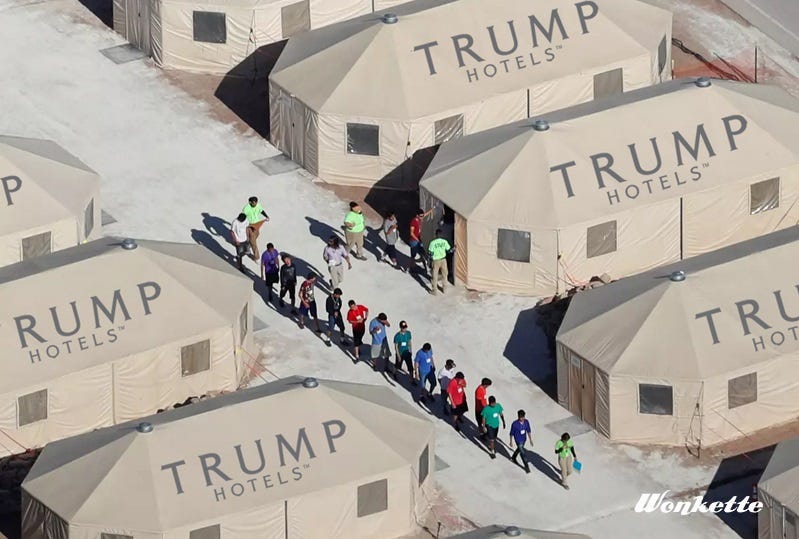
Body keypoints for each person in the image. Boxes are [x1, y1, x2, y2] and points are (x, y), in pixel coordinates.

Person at [428, 228, 454, 295]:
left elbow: (430, 253)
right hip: (443, 260)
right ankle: (444, 289)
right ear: (441, 235)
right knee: (444, 274)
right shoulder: (444, 241)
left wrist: (429, 262)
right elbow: (449, 251)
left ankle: (434, 291)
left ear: (436, 235)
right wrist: (454, 248)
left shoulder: (432, 243)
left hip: (436, 260)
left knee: (435, 275)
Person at [408, 207, 434, 273]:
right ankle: (410, 268)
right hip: (414, 241)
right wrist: (417, 239)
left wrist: (431, 210)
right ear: (417, 215)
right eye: (421, 216)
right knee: (413, 256)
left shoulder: (420, 218)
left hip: (418, 240)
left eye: (422, 216)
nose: (422, 217)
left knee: (422, 253)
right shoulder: (413, 222)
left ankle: (426, 268)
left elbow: (424, 214)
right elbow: (411, 233)